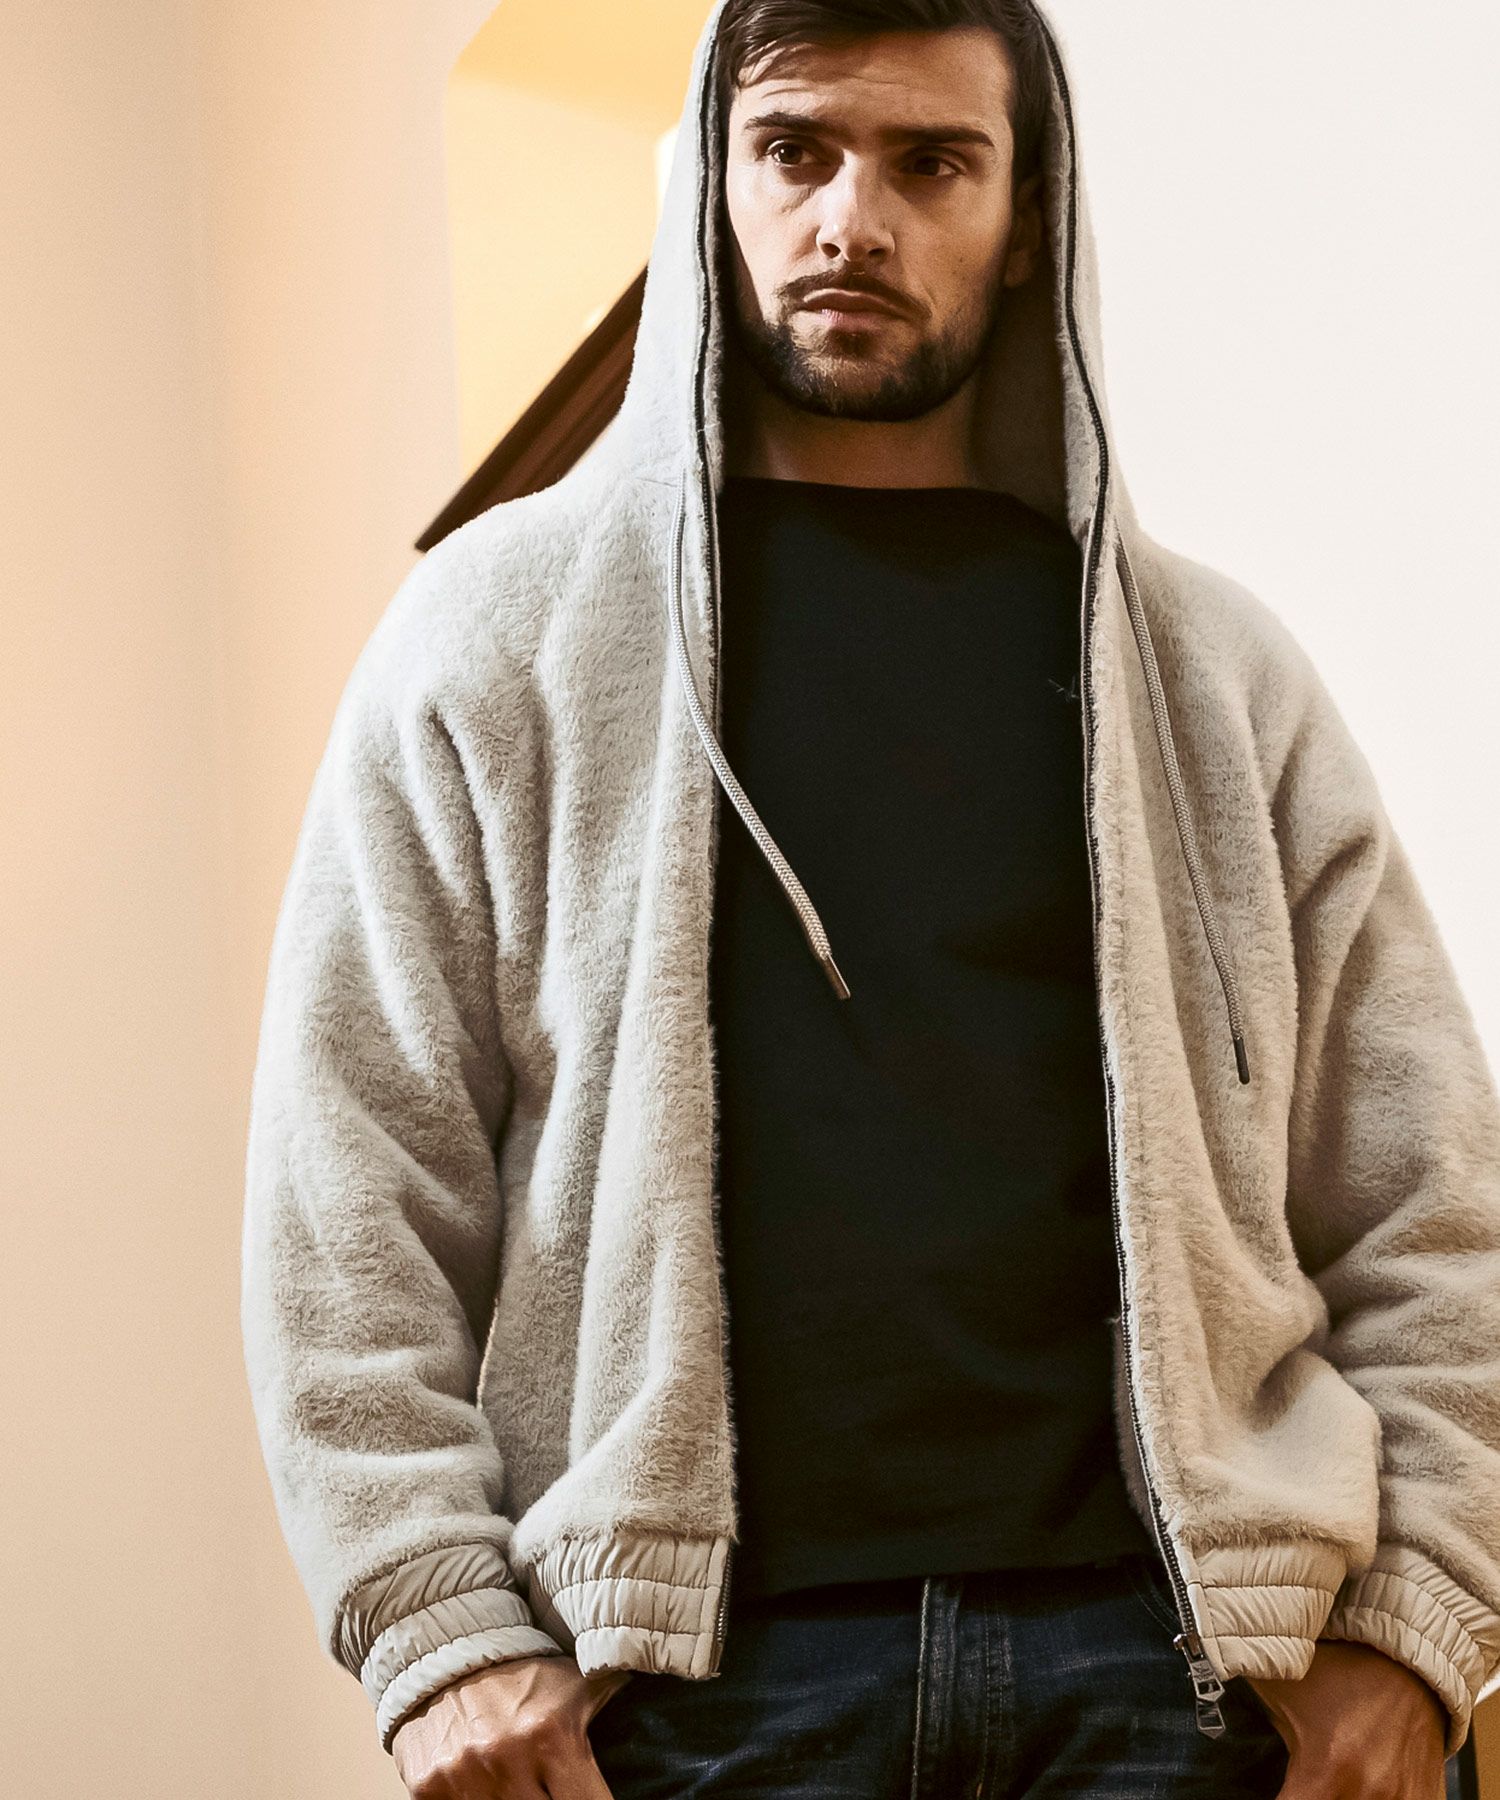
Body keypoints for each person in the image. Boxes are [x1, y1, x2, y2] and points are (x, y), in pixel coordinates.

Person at [240, 1, 1500, 1795]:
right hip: (690, 1698)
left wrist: (1416, 1628)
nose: (853, 220)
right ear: (714, 184)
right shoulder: (497, 642)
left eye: (931, 163)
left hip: (1183, 1684)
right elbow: (348, 1183)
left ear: (1027, 216)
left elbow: (1430, 1204)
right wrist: (437, 1626)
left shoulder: (1217, 677)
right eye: (796, 152)